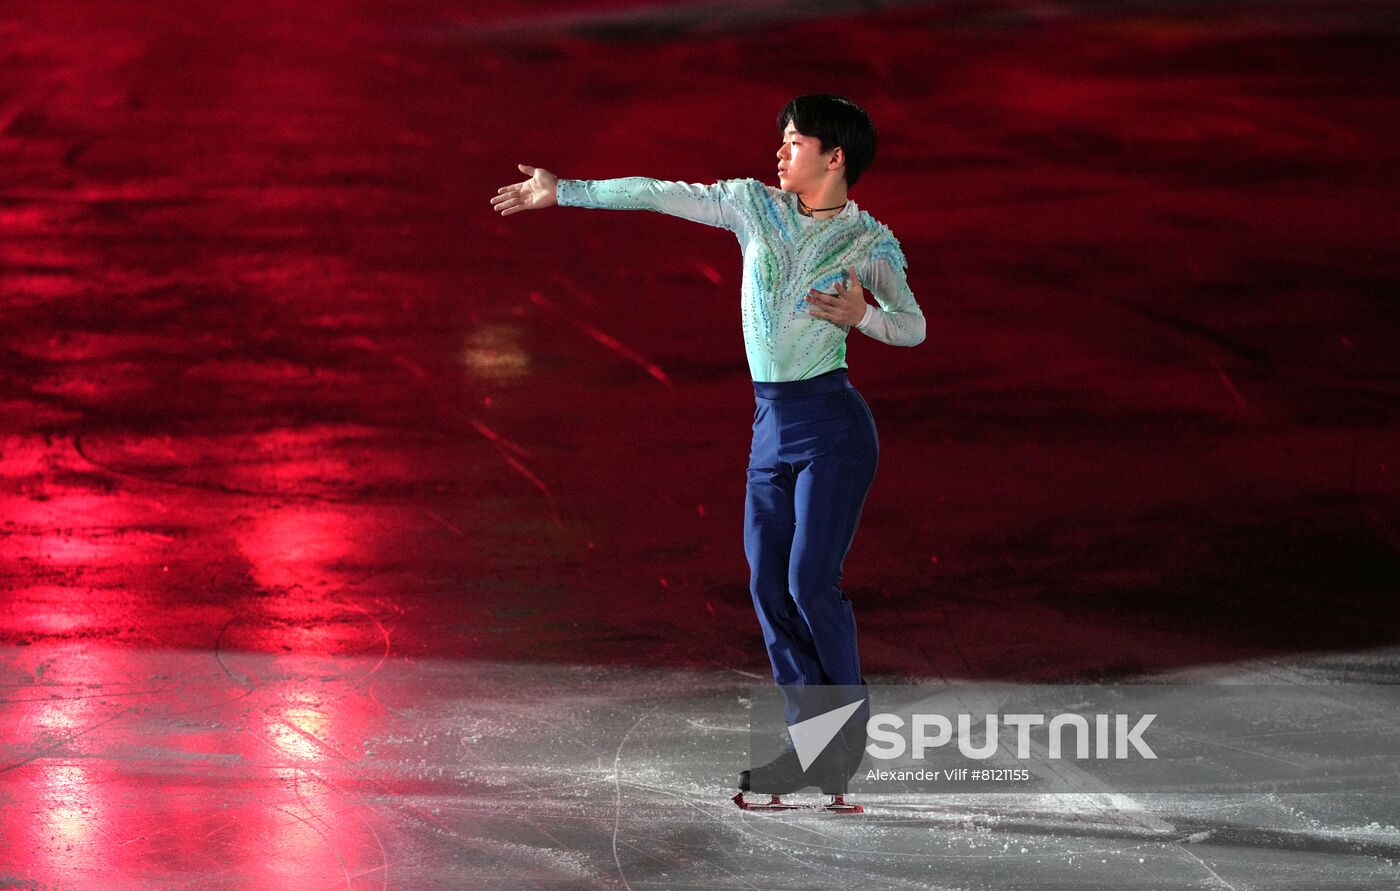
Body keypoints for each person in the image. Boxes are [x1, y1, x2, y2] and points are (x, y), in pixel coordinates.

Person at [491, 94, 925, 804]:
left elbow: (914, 326)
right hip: (771, 430)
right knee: (765, 584)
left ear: (834, 156)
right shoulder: (753, 207)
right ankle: (809, 741)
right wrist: (564, 190)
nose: (779, 152)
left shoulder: (868, 244)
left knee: (810, 581)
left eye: (794, 141)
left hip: (834, 431)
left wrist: (865, 316)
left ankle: (839, 749)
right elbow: (661, 194)